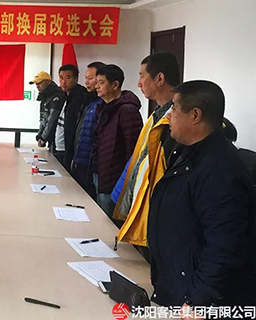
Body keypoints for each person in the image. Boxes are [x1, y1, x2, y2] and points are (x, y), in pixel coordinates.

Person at [148, 80, 256, 308]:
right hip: (177, 286)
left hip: (195, 301)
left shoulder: (220, 169)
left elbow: (223, 247)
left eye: (174, 108)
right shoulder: (188, 152)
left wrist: (196, 302)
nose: (168, 115)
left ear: (195, 115)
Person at [112, 52, 181, 248]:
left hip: (157, 222)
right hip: (141, 211)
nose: (139, 83)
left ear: (160, 78)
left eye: (142, 76)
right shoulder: (156, 115)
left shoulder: (174, 124)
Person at [91, 64, 143, 217]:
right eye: (96, 82)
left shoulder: (127, 110)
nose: (97, 86)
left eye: (101, 82)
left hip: (115, 179)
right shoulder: (104, 107)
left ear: (115, 85)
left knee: (109, 222)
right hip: (100, 172)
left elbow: (133, 149)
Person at [71, 61, 106, 197]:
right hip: (81, 161)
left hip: (91, 166)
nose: (86, 82)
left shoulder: (102, 104)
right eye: (85, 78)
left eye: (90, 78)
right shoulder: (89, 101)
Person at [53, 64, 87, 171]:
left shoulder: (79, 98)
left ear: (76, 79)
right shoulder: (64, 96)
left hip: (68, 150)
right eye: (61, 78)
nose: (63, 82)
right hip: (59, 147)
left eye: (68, 78)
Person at [31, 71, 64, 150]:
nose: (37, 86)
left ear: (48, 82)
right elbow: (43, 119)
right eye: (36, 83)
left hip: (58, 140)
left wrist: (43, 138)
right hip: (51, 139)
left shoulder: (56, 96)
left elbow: (52, 120)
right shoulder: (44, 97)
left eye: (39, 83)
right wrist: (40, 136)